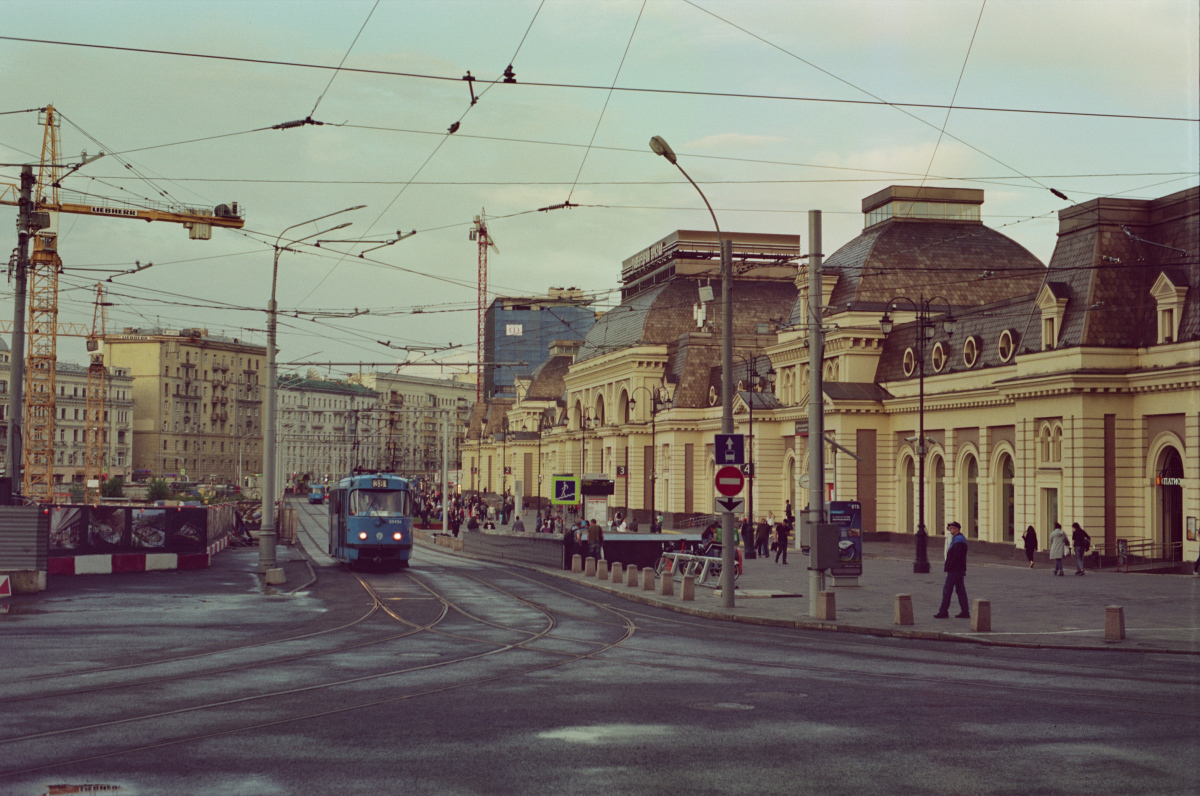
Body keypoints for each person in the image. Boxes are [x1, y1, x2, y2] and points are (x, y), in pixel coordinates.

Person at [934, 521, 970, 619]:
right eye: (949, 528)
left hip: (954, 570)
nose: (950, 530)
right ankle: (965, 611)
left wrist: (950, 567)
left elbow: (956, 556)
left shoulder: (958, 539)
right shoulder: (959, 539)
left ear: (957, 529)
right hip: (959, 569)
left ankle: (943, 611)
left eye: (952, 528)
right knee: (960, 590)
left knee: (947, 590)